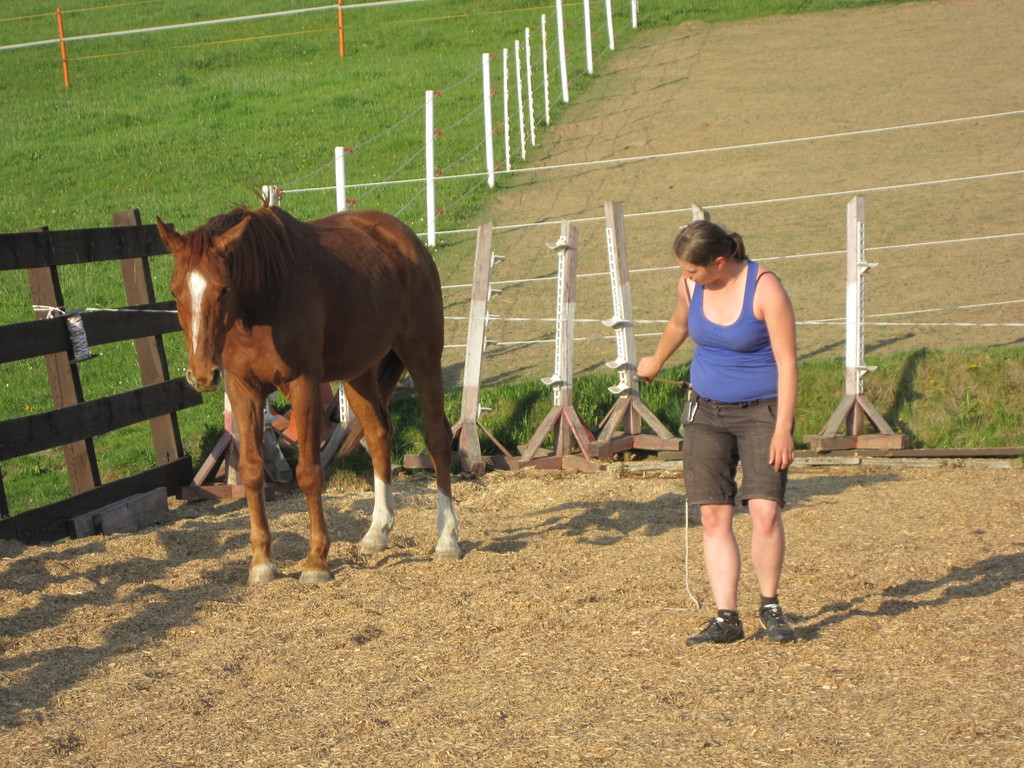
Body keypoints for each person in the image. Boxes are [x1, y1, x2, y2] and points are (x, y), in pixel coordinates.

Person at [637, 219, 798, 645]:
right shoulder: (691, 287)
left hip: (763, 412)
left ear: (720, 262)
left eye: (693, 270)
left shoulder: (765, 289)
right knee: (713, 515)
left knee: (764, 512)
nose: (686, 277)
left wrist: (783, 430)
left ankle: (771, 607)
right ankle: (727, 618)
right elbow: (679, 325)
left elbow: (787, 363)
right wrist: (655, 359)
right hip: (705, 412)